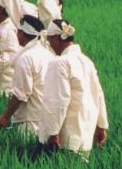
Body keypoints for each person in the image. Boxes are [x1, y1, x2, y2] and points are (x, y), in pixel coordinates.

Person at [38, 19, 108, 158]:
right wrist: (102, 125)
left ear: (58, 39)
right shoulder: (86, 61)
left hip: (65, 136)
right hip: (85, 133)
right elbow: (98, 93)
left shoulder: (59, 63)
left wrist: (53, 133)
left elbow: (58, 100)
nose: (49, 44)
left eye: (50, 39)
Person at [0, 15, 54, 137]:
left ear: (22, 33)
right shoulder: (48, 54)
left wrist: (5, 117)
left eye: (18, 32)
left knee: (26, 153)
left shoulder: (26, 58)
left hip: (30, 118)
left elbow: (21, 93)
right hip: (46, 116)